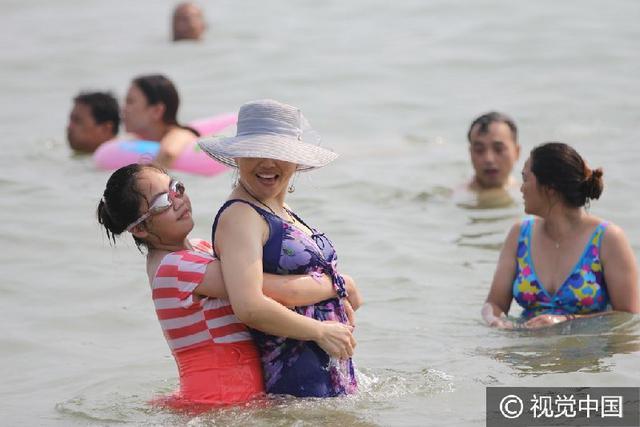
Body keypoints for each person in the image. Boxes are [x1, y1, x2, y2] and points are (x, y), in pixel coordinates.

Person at [97, 163, 359, 407]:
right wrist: (339, 286)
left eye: (176, 187)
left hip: (234, 395)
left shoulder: (199, 249)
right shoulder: (174, 268)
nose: (178, 200)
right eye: (164, 201)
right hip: (219, 400)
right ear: (140, 229)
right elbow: (276, 291)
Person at [198, 99, 361, 397]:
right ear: (238, 156)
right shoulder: (240, 216)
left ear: (296, 159)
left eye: (278, 153)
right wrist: (321, 330)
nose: (268, 163)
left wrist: (338, 294)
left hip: (325, 373)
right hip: (294, 383)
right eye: (257, 151)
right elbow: (249, 306)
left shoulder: (279, 209)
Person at [483, 142, 639, 329]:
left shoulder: (608, 238)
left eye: (525, 179)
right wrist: (496, 321)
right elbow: (494, 304)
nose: (521, 189)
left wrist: (566, 321)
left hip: (586, 353)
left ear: (550, 188)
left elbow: (628, 317)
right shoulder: (519, 235)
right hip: (527, 352)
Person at [122, 74, 198, 169]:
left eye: (130, 102)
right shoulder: (136, 139)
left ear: (157, 110)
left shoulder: (180, 134)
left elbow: (168, 153)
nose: (123, 109)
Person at [467, 112, 520, 192]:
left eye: (499, 149)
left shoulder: (531, 196)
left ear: (517, 152)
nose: (489, 159)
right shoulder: (456, 198)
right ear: (470, 153)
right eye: (479, 150)